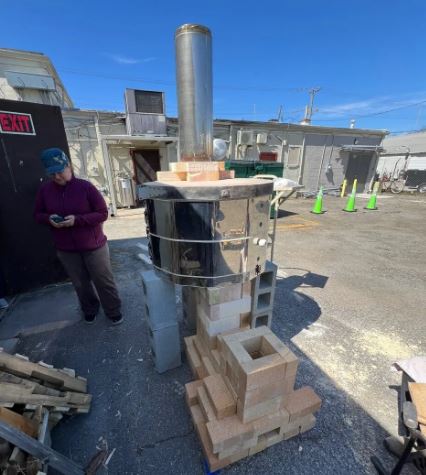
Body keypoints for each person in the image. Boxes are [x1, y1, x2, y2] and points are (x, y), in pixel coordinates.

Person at [34, 148, 122, 325]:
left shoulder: (85, 187)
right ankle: (89, 309)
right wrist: (49, 219)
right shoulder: (45, 191)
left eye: (60, 171)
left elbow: (103, 213)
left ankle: (113, 310)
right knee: (80, 284)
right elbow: (37, 214)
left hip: (94, 246)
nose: (57, 177)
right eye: (52, 174)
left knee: (103, 281)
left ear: (69, 166)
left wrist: (77, 220)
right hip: (66, 249)